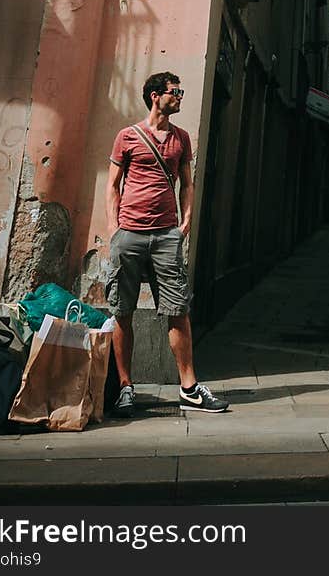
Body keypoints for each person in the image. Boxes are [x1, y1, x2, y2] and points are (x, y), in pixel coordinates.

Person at [105, 71, 229, 415]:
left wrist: (186, 220)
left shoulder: (181, 139)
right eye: (176, 92)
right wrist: (114, 228)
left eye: (180, 91)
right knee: (122, 311)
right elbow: (113, 185)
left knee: (178, 311)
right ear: (156, 96)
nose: (180, 97)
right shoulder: (127, 136)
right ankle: (125, 387)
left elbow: (187, 183)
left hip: (166, 236)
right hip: (129, 234)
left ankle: (188, 388)